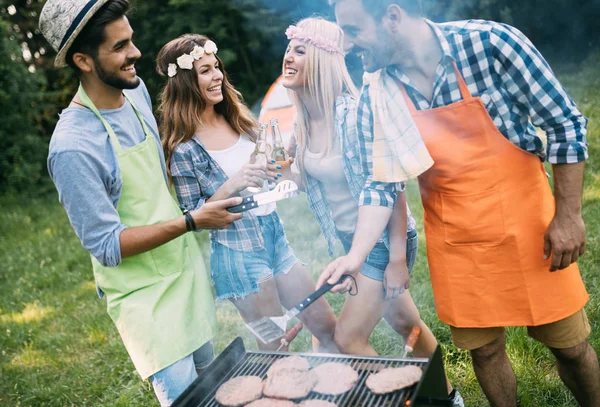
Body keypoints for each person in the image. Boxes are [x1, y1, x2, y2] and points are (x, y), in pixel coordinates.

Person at [323, 0, 600, 406]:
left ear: (393, 16)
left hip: (531, 226)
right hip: (457, 239)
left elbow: (564, 123)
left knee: (570, 347)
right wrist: (357, 255)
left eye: (353, 29)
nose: (346, 44)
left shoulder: (491, 43)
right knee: (485, 350)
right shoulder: (377, 93)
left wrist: (569, 216)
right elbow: (380, 185)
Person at [39, 1, 243, 406]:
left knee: (219, 391)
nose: (135, 53)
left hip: (184, 271)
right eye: (120, 47)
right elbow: (107, 246)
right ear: (82, 60)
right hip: (144, 300)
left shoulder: (135, 94)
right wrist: (191, 222)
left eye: (130, 40)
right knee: (188, 400)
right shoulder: (73, 147)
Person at [281, 17, 463, 406]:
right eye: (288, 48)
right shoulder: (301, 122)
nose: (288, 56)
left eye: (300, 49)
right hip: (352, 243)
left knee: (347, 338)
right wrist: (278, 170)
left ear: (323, 59)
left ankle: (395, 397)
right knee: (406, 325)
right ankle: (447, 397)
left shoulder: (350, 115)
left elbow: (390, 188)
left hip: (384, 240)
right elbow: (305, 184)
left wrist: (398, 258)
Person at [156, 34, 338, 354]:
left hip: (274, 239)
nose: (217, 77)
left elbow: (273, 172)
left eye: (217, 68)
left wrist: (281, 170)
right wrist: (236, 182)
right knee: (275, 347)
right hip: (239, 255)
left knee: (326, 326)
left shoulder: (236, 118)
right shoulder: (183, 148)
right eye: (205, 71)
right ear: (185, 81)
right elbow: (195, 217)